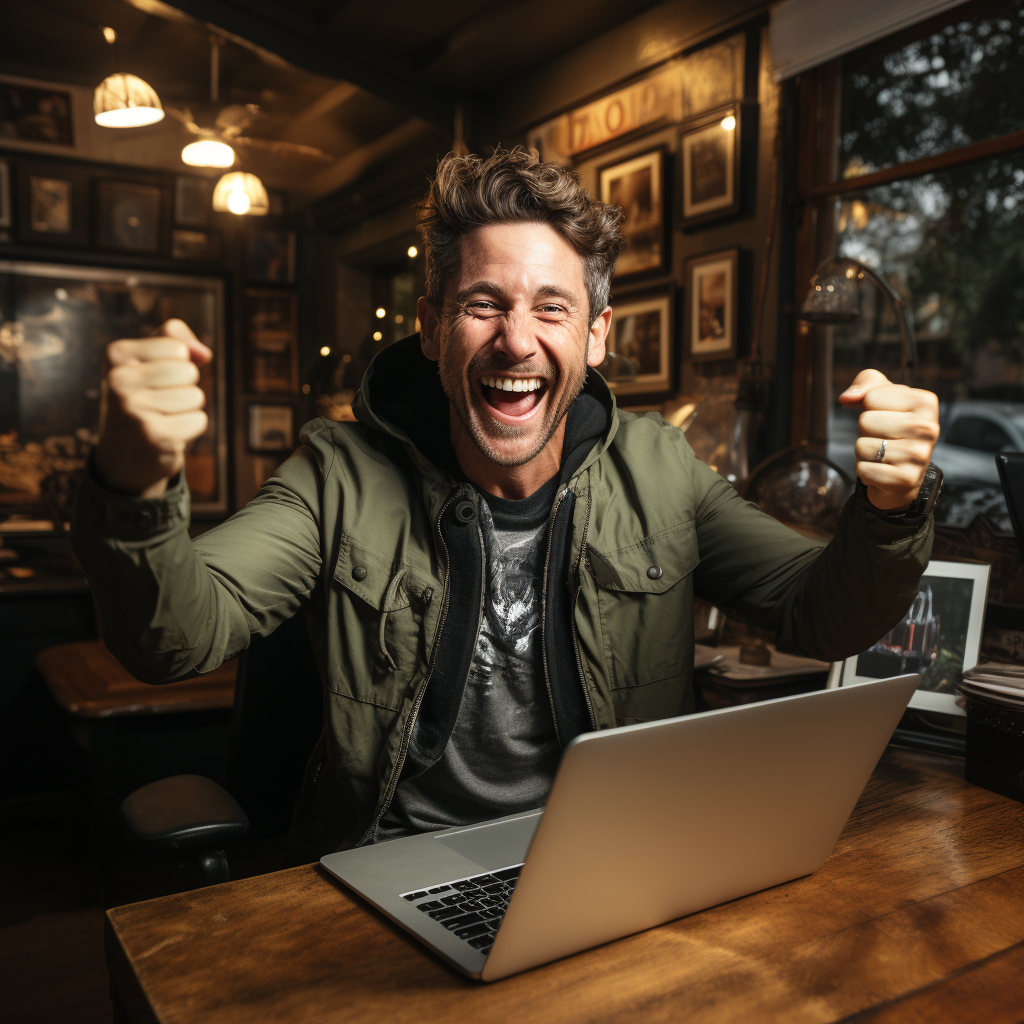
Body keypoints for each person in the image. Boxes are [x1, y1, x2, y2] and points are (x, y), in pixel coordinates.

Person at [71, 149, 940, 860]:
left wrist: (892, 508)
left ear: (597, 334)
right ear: (432, 325)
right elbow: (172, 638)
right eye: (482, 304)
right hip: (389, 866)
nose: (516, 340)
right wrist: (135, 487)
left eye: (551, 308)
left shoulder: (663, 469)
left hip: (615, 860)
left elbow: (821, 616)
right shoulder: (335, 472)